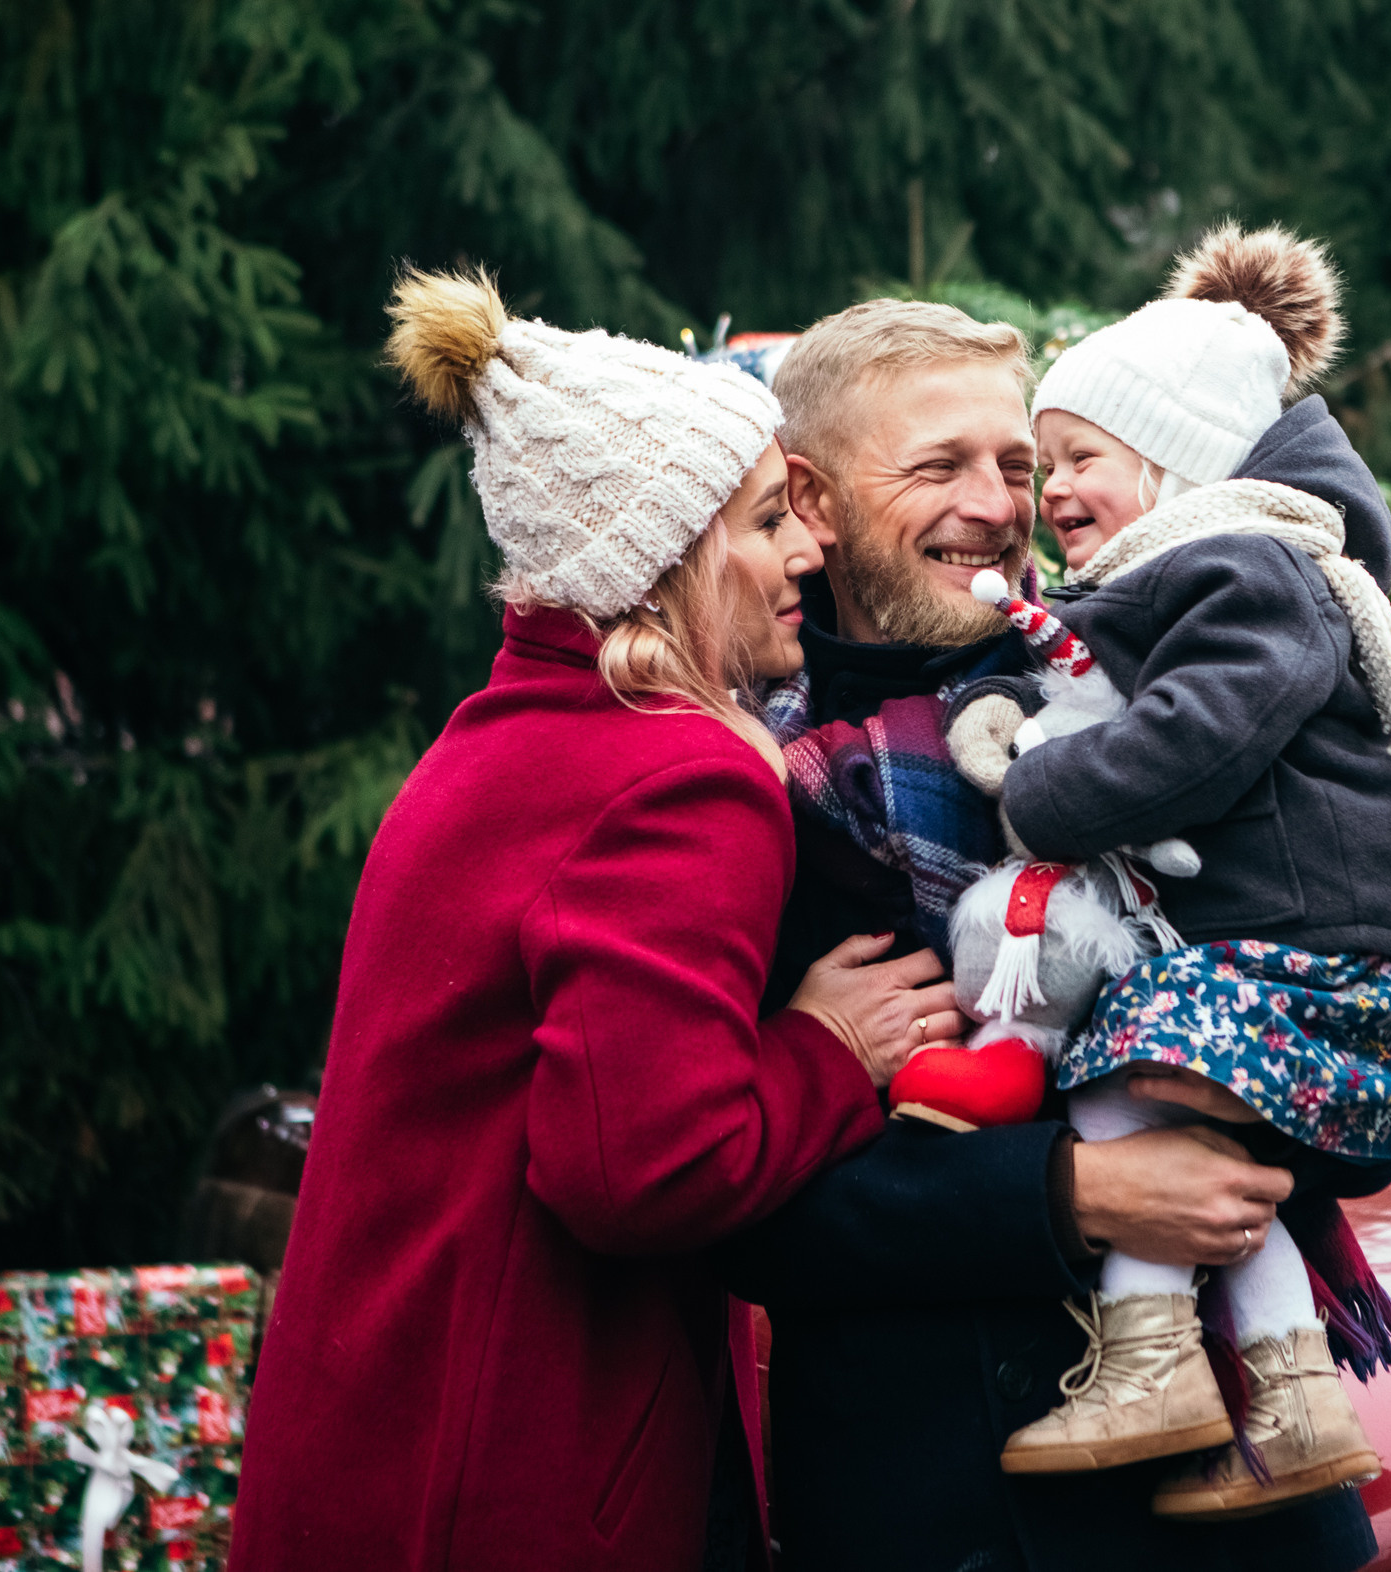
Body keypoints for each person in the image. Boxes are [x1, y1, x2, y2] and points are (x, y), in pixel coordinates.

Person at [230, 270, 969, 1572]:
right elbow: (641, 1169)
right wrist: (829, 1054)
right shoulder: (679, 782)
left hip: (377, 1455)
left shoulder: (494, 744)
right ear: (667, 556)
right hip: (523, 1478)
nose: (808, 550)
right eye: (762, 521)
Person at [714, 300, 1374, 1572]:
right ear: (815, 497)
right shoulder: (757, 780)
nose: (998, 504)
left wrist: (1251, 1117)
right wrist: (1073, 1190)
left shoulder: (1165, 696)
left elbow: (1345, 1019)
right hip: (944, 1495)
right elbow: (727, 1198)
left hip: (1248, 1499)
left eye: (1015, 465)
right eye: (938, 467)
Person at [940, 222, 1391, 1514]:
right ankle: (1295, 1397)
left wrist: (1041, 794)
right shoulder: (1208, 566)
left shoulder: (1248, 566)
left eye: (1079, 458)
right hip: (1289, 949)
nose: (1050, 493)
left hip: (1317, 954)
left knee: (1112, 1089)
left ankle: (1156, 1364)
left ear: (1180, 460)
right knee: (1206, 1147)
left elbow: (1199, 734)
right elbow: (1108, 677)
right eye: (1046, 465)